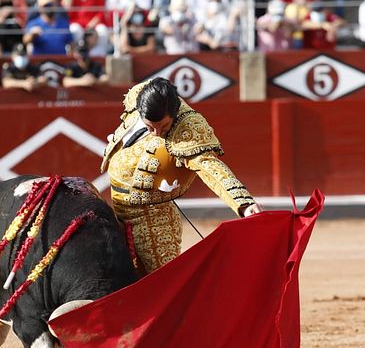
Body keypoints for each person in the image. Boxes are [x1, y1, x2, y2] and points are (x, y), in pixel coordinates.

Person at [100, 77, 261, 273]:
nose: (157, 133)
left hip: (153, 220)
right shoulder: (139, 97)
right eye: (150, 127)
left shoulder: (188, 128)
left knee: (164, 282)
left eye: (165, 127)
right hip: (114, 206)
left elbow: (211, 168)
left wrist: (243, 204)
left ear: (174, 115)